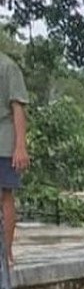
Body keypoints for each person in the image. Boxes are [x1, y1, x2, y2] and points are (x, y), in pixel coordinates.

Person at [0, 51, 29, 266]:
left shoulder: (8, 67)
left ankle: (6, 251)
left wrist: (20, 146)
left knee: (4, 195)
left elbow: (18, 108)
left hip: (4, 137)